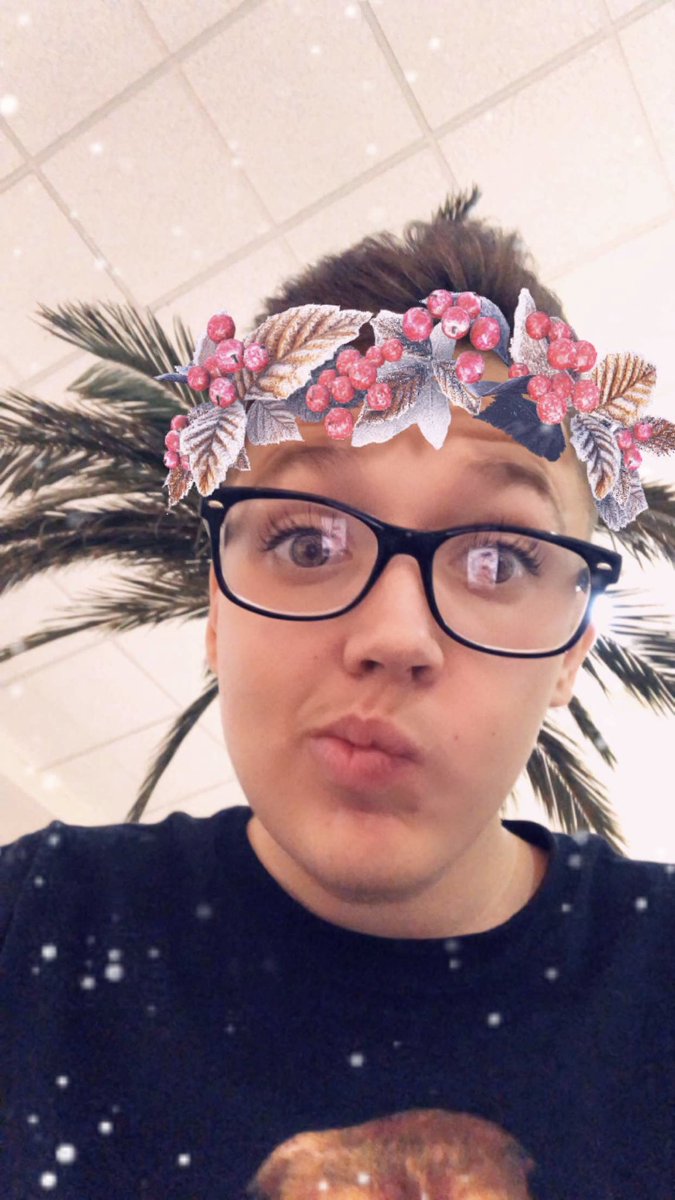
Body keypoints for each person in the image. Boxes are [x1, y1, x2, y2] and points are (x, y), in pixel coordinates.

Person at [0, 190, 672, 1200]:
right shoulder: (36, 927)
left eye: (497, 559)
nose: (395, 637)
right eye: (307, 542)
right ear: (218, 610)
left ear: (571, 651)